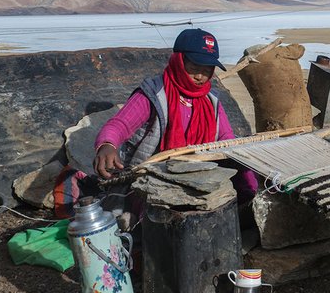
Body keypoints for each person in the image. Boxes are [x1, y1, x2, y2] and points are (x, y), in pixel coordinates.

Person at [92, 28, 258, 203]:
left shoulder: (211, 100)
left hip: (198, 178)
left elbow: (225, 138)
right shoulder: (154, 93)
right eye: (194, 68)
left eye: (208, 70)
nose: (200, 76)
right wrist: (107, 144)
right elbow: (120, 125)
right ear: (179, 61)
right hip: (153, 178)